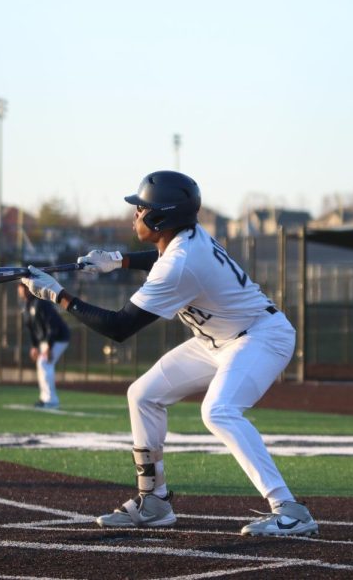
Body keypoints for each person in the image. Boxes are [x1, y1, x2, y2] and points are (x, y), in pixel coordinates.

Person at [20, 170, 318, 537]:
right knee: (142, 395)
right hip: (217, 340)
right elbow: (160, 256)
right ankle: (154, 503)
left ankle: (289, 508)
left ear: (161, 218)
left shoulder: (180, 265)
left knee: (218, 411)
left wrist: (58, 296)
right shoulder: (187, 237)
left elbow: (119, 327)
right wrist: (119, 260)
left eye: (142, 209)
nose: (136, 214)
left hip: (260, 337)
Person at [16, 282, 70, 409]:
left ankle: (51, 400)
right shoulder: (26, 306)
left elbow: (53, 327)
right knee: (42, 364)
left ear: (29, 289)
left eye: (24, 289)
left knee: (44, 363)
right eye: (20, 289)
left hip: (59, 337)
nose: (21, 292)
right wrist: (34, 346)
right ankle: (45, 398)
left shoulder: (41, 303)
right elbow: (31, 329)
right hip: (45, 340)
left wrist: (49, 347)